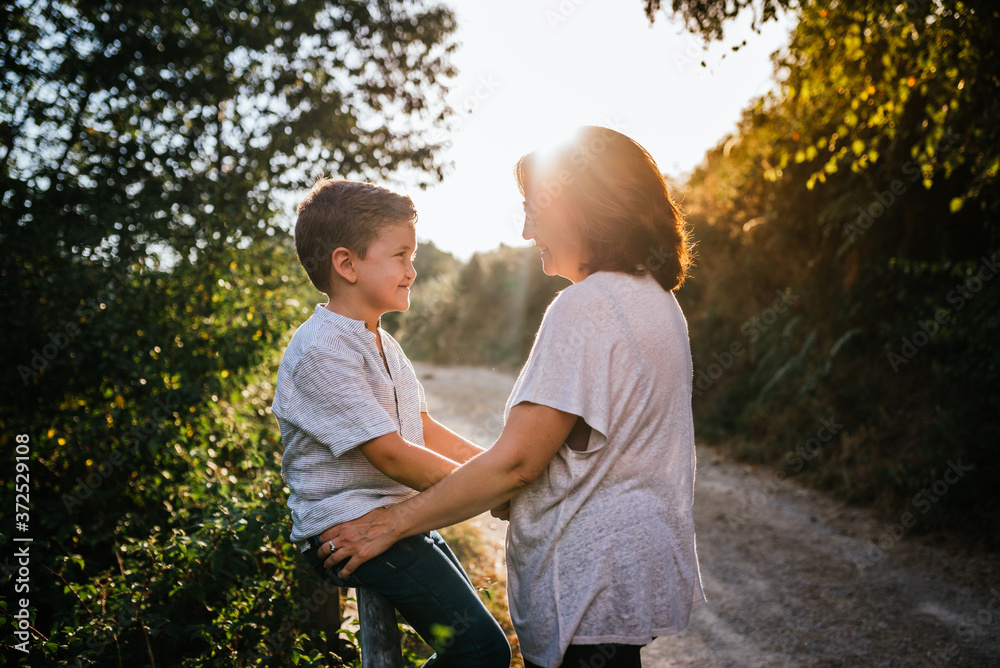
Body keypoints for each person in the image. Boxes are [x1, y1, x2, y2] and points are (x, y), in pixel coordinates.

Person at [316, 126, 707, 668]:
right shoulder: (657, 301)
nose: (526, 231)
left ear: (579, 206)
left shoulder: (586, 307)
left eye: (534, 209)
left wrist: (391, 524)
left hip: (586, 586)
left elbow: (517, 464)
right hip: (628, 576)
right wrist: (492, 486)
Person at [270, 178, 511, 667]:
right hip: (347, 530)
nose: (412, 270)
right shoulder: (322, 350)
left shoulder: (383, 342)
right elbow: (392, 455)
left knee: (475, 646)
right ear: (347, 264)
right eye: (400, 255)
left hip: (393, 519)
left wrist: (497, 468)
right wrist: (489, 489)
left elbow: (421, 428)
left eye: (412, 255)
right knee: (482, 651)